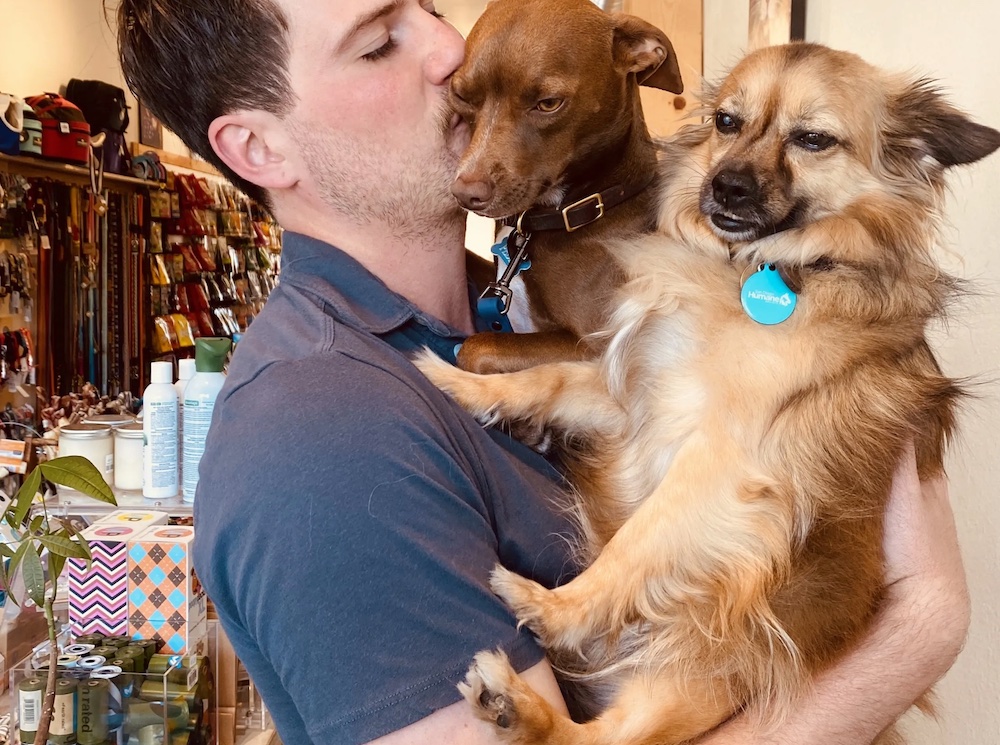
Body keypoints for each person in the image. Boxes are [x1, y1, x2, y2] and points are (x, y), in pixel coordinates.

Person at [116, 1, 970, 743]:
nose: (452, 52)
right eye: (378, 44)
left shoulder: (506, 311)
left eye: (427, 8)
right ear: (260, 148)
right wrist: (920, 627)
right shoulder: (319, 442)